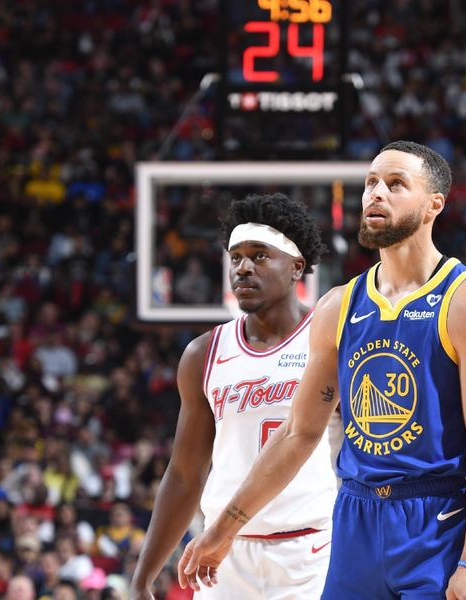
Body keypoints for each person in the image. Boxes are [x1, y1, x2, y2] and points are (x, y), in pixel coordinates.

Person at [181, 141, 466, 600]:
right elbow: (299, 432)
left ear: (434, 204)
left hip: (434, 521)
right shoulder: (339, 304)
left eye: (396, 184)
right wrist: (223, 529)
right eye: (371, 183)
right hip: (354, 518)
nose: (376, 193)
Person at [130, 193, 340, 599]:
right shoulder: (203, 354)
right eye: (236, 257)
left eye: (260, 256)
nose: (243, 268)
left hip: (310, 551)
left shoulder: (328, 342)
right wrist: (143, 577)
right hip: (222, 556)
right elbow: (185, 473)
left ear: (297, 267)